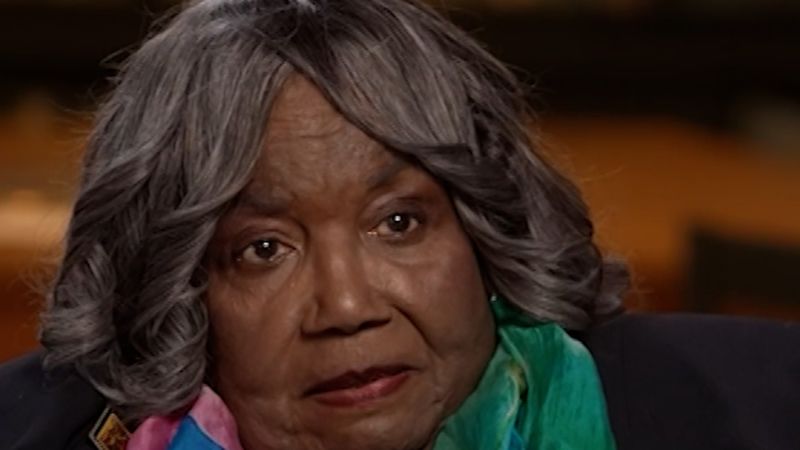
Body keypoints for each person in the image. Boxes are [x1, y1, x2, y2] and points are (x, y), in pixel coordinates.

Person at [1, 0, 798, 449]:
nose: (348, 305)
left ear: (486, 235)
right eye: (264, 249)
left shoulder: (761, 407)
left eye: (399, 223)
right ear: (173, 301)